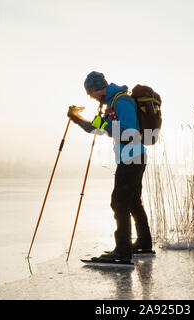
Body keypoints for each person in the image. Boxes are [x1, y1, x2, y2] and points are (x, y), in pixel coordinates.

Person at [67, 71, 153, 263]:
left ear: (99, 88)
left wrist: (106, 125)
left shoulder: (122, 101)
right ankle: (144, 244)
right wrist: (77, 119)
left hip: (132, 158)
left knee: (119, 203)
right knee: (133, 202)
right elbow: (97, 128)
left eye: (91, 93)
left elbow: (130, 133)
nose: (91, 97)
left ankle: (122, 253)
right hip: (131, 158)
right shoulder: (112, 104)